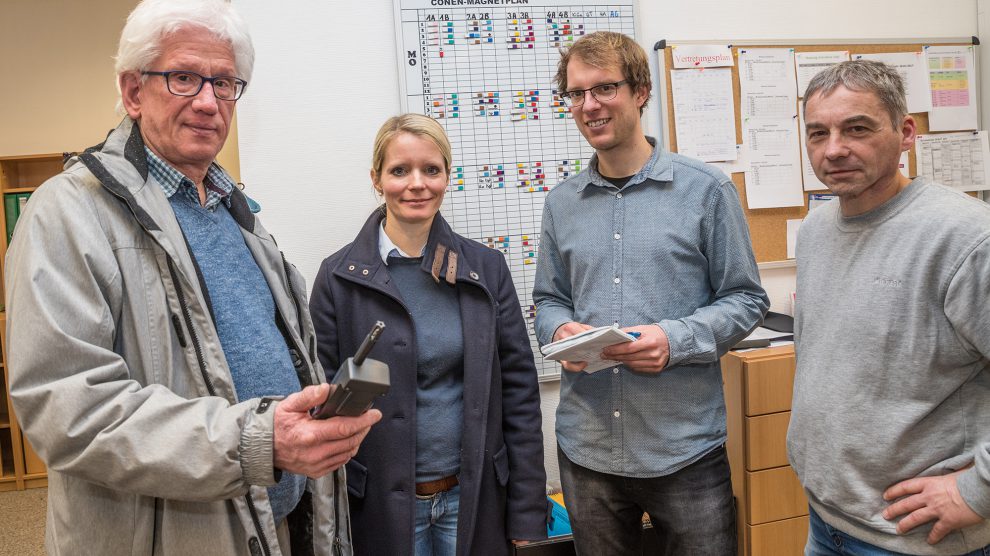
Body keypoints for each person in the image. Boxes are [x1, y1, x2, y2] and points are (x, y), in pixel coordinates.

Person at [4, 1, 380, 554]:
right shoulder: (66, 212)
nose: (208, 101)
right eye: (184, 78)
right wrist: (255, 440)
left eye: (224, 83)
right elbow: (67, 409)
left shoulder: (237, 214)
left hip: (274, 525)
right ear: (134, 92)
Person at [533, 31, 769, 555]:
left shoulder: (706, 191)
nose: (589, 105)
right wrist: (560, 331)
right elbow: (548, 300)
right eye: (576, 93)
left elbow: (746, 299)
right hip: (587, 452)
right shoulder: (561, 203)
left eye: (605, 88)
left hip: (683, 451)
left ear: (641, 91)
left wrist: (674, 339)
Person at [308, 113, 548, 556]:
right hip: (378, 504)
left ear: (446, 177)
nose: (416, 183)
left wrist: (528, 510)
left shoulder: (486, 269)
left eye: (430, 170)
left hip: (472, 499)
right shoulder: (338, 278)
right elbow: (319, 402)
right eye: (399, 170)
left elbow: (519, 393)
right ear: (377, 179)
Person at [787, 59, 990, 555]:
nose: (834, 149)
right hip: (828, 520)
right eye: (818, 133)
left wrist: (980, 490)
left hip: (915, 538)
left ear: (905, 133)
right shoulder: (817, 228)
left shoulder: (965, 237)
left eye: (857, 128)